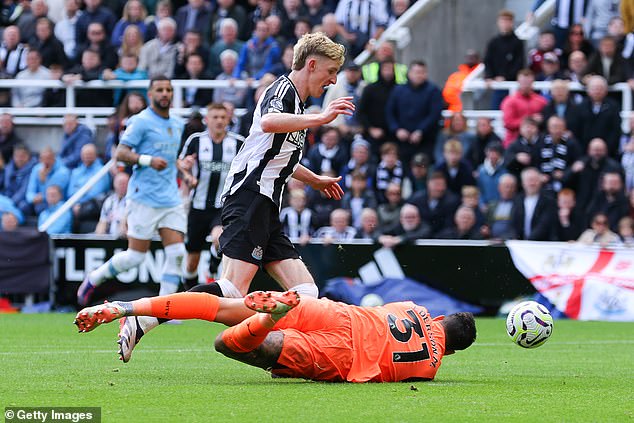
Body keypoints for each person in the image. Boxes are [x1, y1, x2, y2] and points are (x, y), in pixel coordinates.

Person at [110, 33, 353, 363]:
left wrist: (315, 179)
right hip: (250, 198)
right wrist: (321, 118)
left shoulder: (297, 106)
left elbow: (283, 157)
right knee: (231, 291)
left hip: (266, 206)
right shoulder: (283, 90)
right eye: (331, 71)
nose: (333, 79)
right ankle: (144, 316)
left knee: (306, 293)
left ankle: (290, 353)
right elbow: (268, 122)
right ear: (311, 64)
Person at [75, 289, 477, 382]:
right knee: (229, 343)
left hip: (338, 313)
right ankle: (270, 320)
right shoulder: (430, 368)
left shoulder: (413, 307)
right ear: (452, 352)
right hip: (343, 354)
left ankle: (127, 308)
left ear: (440, 316)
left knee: (221, 306)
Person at [77, 76, 187, 307]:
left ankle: (164, 308)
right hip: (143, 197)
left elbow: (170, 158)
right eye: (160, 90)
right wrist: (147, 160)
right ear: (150, 94)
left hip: (170, 197)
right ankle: (93, 279)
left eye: (168, 89)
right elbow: (121, 153)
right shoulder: (140, 121)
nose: (165, 93)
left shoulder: (177, 124)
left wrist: (184, 171)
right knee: (136, 257)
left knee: (177, 252)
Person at [178, 103, 244, 288]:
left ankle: (213, 267)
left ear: (228, 120)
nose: (219, 121)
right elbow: (181, 164)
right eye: (215, 117)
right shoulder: (196, 140)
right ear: (207, 120)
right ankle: (188, 294)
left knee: (219, 238)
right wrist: (187, 173)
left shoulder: (238, 142)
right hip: (198, 206)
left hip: (223, 206)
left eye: (223, 117)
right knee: (192, 260)